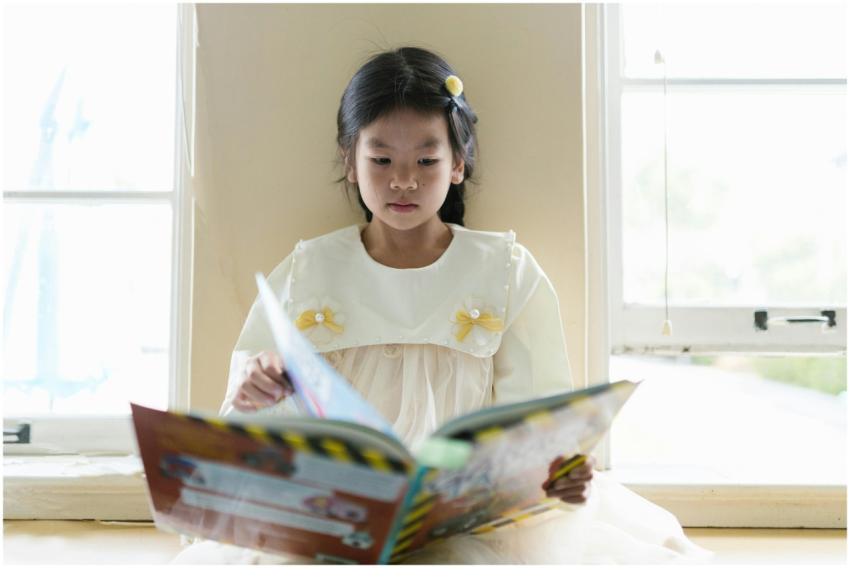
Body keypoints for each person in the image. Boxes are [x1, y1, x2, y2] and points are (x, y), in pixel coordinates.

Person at [173, 46, 712, 565]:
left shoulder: (505, 271)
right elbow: (253, 430)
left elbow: (543, 422)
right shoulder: (310, 270)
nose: (402, 180)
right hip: (335, 519)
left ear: (458, 163)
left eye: (425, 160)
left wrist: (563, 471)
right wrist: (254, 391)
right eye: (381, 158)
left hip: (474, 526)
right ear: (350, 160)